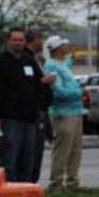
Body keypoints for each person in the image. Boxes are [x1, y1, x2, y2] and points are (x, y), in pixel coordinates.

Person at [0, 27, 45, 182]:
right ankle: (6, 194)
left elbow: (38, 86)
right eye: (14, 40)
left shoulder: (29, 61)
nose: (17, 43)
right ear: (8, 41)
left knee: (27, 160)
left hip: (29, 120)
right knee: (9, 159)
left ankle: (23, 195)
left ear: (25, 42)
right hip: (9, 120)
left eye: (20, 40)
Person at [43, 34, 85, 191]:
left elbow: (68, 62)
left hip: (75, 111)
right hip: (63, 112)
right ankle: (56, 182)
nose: (66, 47)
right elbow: (58, 91)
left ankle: (73, 182)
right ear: (57, 49)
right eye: (63, 45)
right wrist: (78, 92)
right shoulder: (52, 66)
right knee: (63, 149)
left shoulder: (63, 64)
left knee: (76, 149)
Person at [23, 28, 56, 183]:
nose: (42, 42)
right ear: (34, 39)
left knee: (37, 153)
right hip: (33, 112)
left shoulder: (36, 59)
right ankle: (27, 184)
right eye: (40, 39)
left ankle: (32, 183)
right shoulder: (26, 59)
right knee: (30, 153)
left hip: (42, 112)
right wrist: (43, 81)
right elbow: (26, 85)